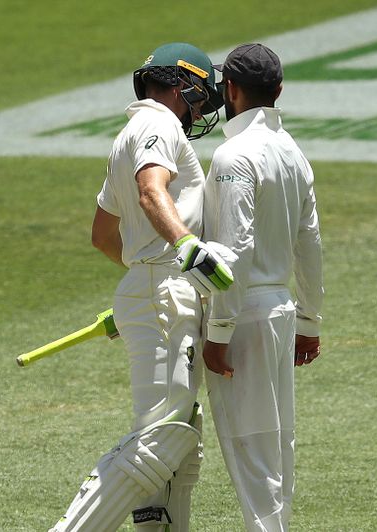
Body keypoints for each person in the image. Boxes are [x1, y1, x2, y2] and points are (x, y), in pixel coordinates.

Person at [50, 42, 234, 532]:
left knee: (181, 435)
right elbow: (152, 191)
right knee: (162, 436)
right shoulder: (158, 126)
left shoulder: (130, 132)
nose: (201, 111)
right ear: (183, 87)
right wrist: (183, 250)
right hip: (165, 289)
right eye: (201, 98)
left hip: (155, 290)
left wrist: (141, 278)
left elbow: (102, 235)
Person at [200, 43, 324, 532]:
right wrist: (310, 321)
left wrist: (219, 330)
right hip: (282, 312)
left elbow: (234, 250)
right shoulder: (294, 152)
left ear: (230, 89)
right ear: (278, 90)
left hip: (245, 317)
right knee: (276, 448)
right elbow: (309, 244)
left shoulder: (234, 155)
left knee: (252, 453)